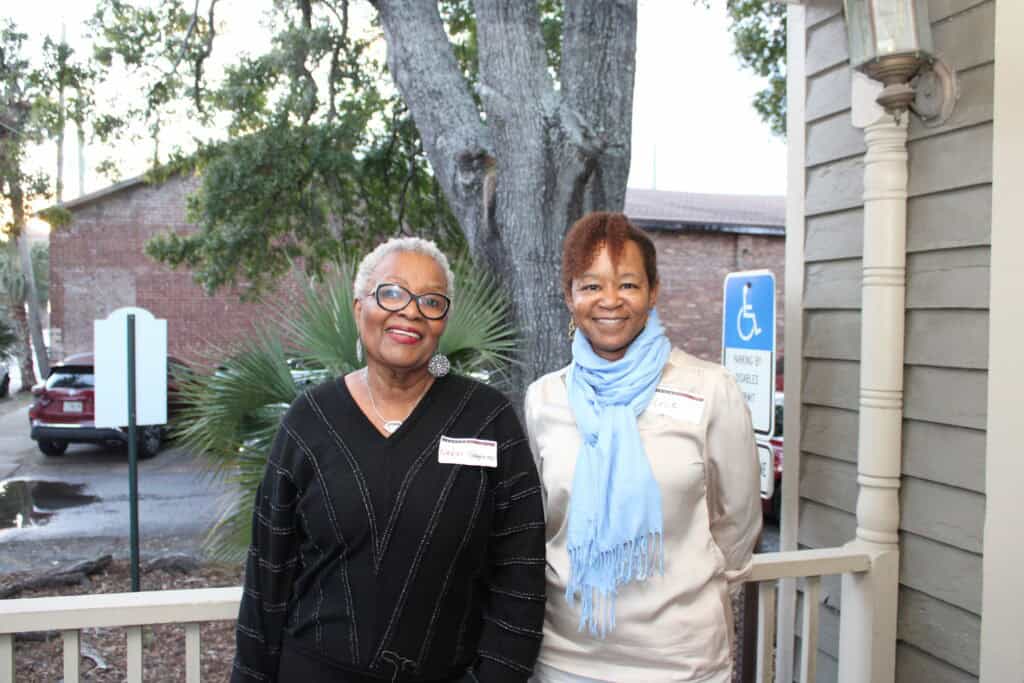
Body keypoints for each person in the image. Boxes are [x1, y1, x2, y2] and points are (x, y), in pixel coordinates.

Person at [233, 237, 546, 683]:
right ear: (360, 306)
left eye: (431, 300)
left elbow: (522, 577)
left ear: (443, 321)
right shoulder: (309, 421)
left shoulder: (486, 418)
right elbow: (267, 581)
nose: (411, 311)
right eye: (392, 292)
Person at [524, 213, 761, 682]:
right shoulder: (544, 398)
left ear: (653, 292)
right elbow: (543, 522)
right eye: (590, 286)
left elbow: (738, 522)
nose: (609, 300)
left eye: (628, 284)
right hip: (568, 657)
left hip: (682, 659)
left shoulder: (711, 389)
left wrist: (684, 585)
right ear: (569, 296)